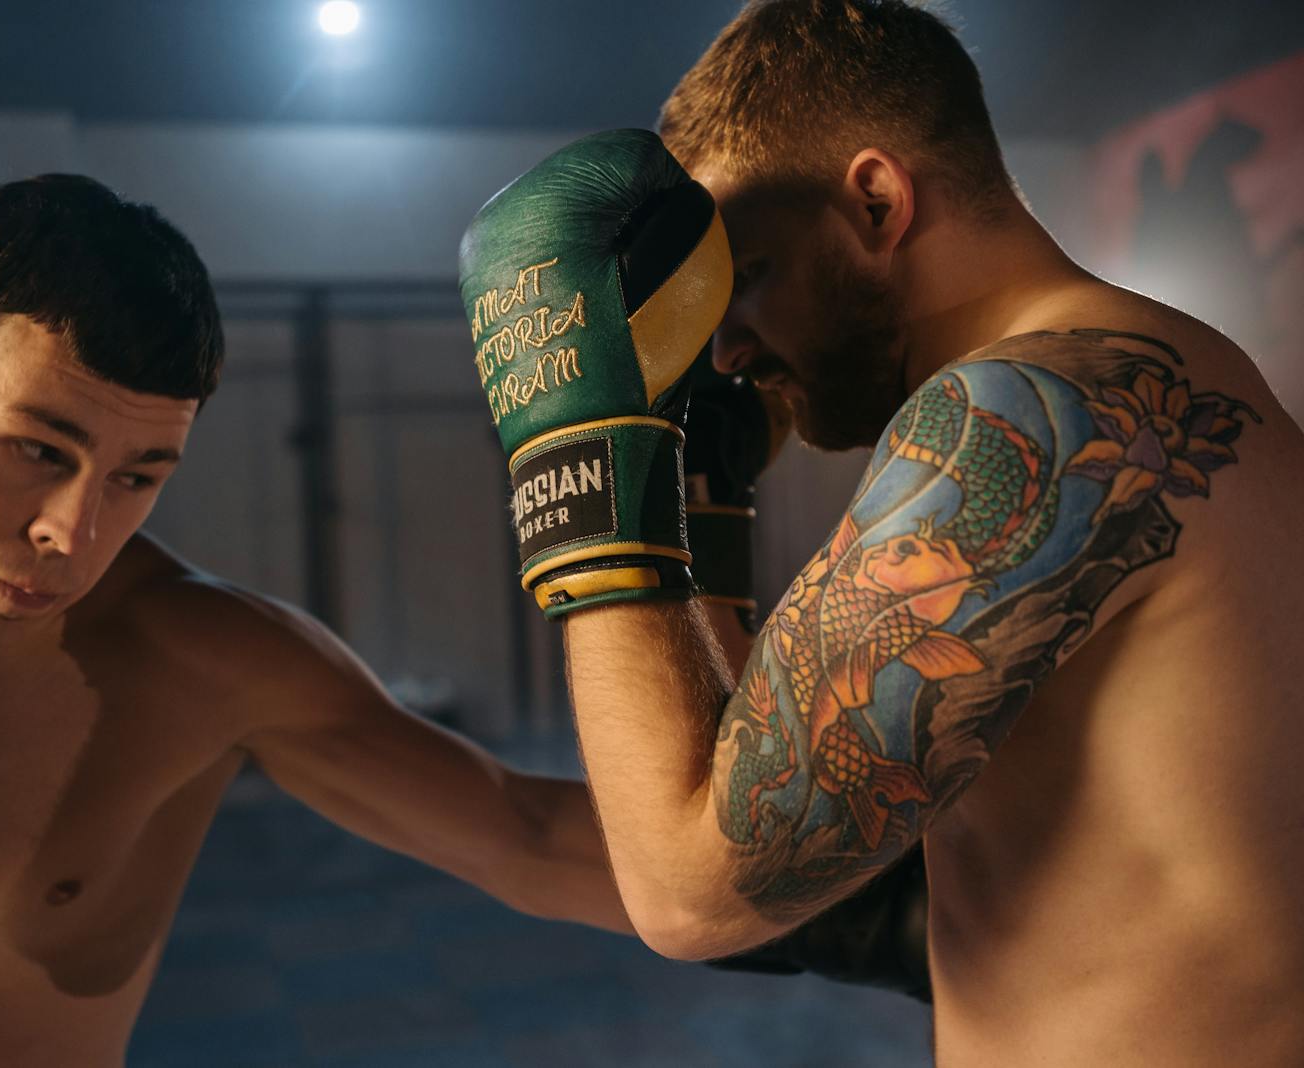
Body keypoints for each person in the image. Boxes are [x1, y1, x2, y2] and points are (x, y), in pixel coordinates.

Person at [457, 2, 1304, 1065]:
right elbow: (732, 779)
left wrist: (576, 455)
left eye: (747, 273)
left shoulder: (1030, 403)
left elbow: (684, 894)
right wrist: (700, 494)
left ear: (873, 199)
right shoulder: (1157, 358)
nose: (723, 351)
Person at [0, 174, 638, 1068]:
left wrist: (782, 875)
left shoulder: (199, 658)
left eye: (137, 477)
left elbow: (526, 835)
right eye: (36, 448)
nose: (73, 533)